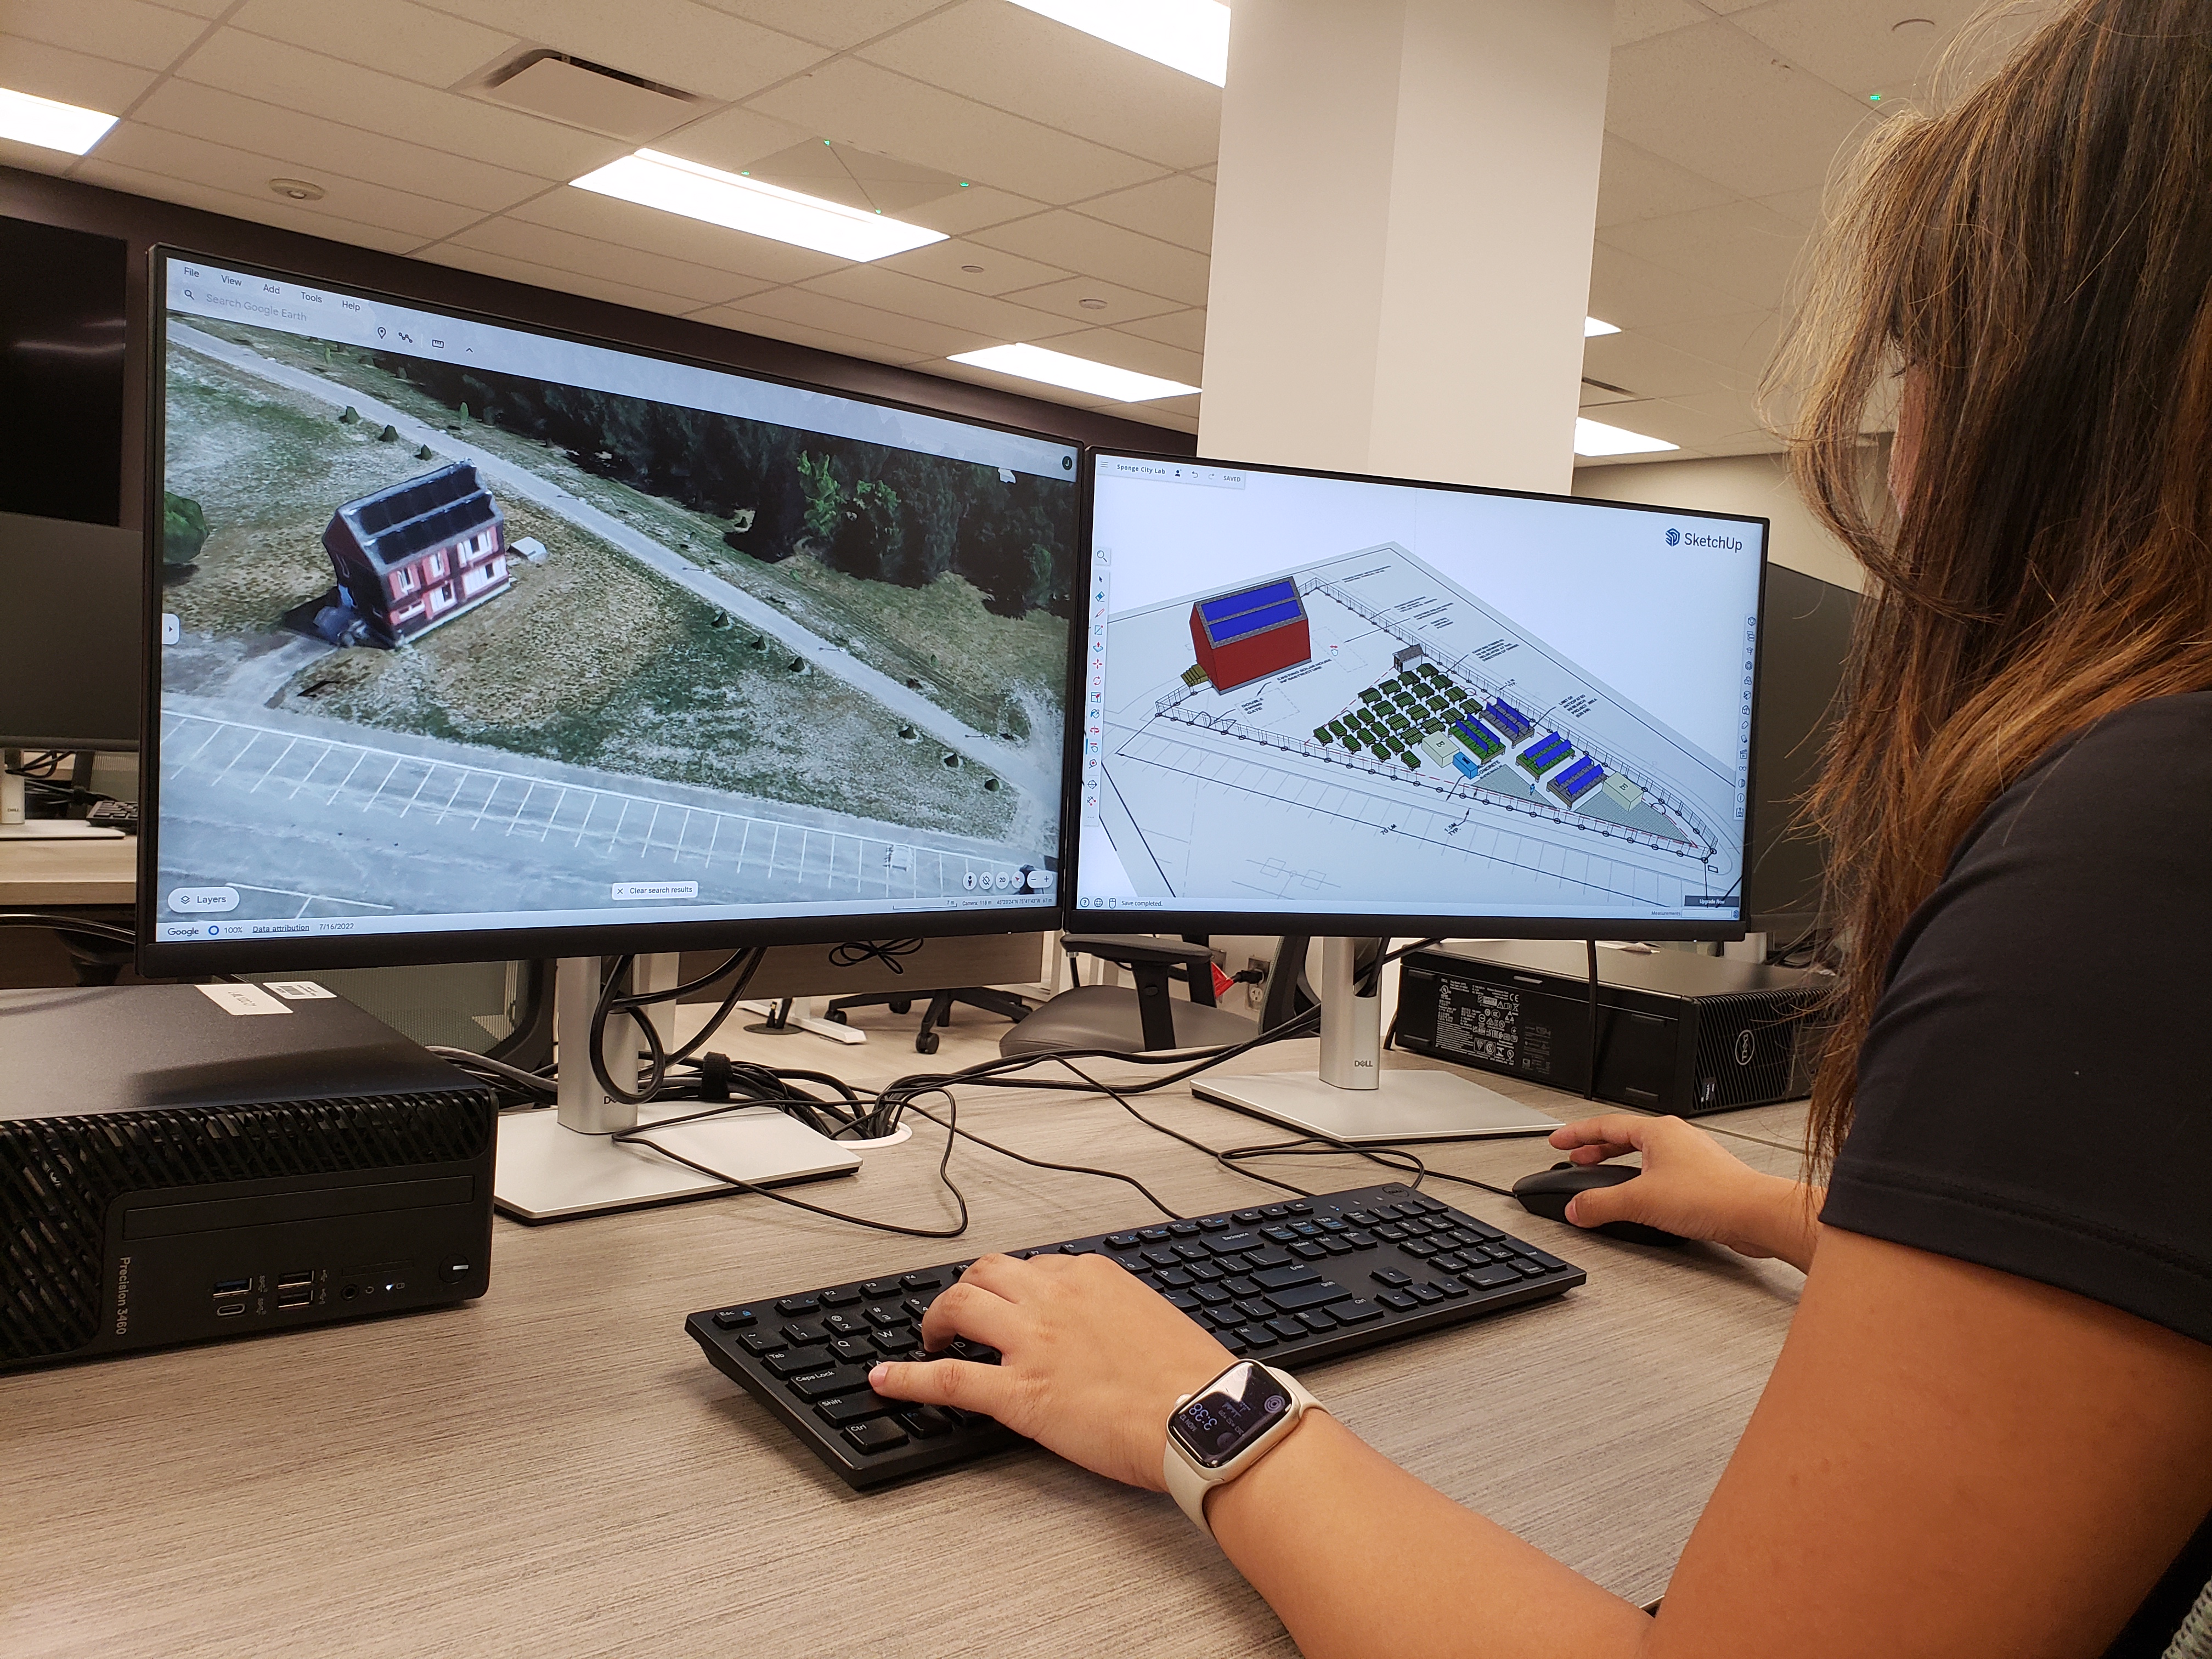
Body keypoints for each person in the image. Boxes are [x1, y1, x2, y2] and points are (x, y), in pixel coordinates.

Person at [871, 2, 2212, 1652]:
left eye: (1911, 366)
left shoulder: (2147, 849)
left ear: (2046, 398)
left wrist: (1201, 1407)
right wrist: (1781, 1212)